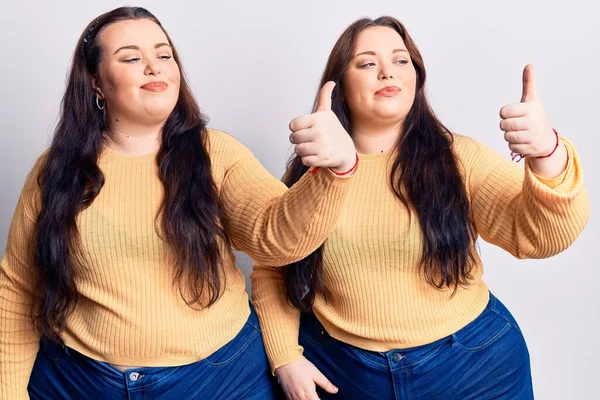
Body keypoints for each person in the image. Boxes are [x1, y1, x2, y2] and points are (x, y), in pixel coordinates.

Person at [0, 6, 359, 400]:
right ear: (95, 83)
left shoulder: (217, 154)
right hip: (79, 381)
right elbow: (18, 288)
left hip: (217, 380)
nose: (155, 68)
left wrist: (337, 168)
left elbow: (276, 241)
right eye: (132, 58)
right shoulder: (53, 171)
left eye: (164, 54)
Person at [252, 16, 589, 400]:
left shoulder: (458, 158)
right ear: (340, 87)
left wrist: (548, 152)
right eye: (366, 63)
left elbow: (541, 238)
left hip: (472, 366)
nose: (386, 73)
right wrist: (285, 358)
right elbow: (272, 267)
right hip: (344, 371)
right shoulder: (307, 175)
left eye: (401, 61)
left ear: (416, 78)